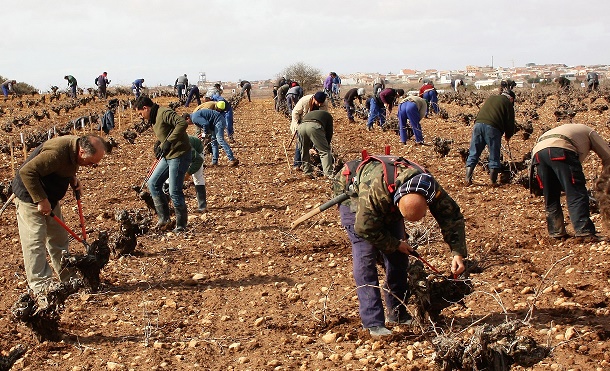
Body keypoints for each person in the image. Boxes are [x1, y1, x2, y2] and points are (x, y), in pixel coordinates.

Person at [334, 156, 467, 337]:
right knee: (365, 258)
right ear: (396, 204)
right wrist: (395, 243)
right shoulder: (376, 192)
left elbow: (451, 217)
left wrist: (457, 253)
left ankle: (397, 313)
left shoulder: (429, 187)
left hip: (387, 201)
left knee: (398, 259)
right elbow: (364, 228)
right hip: (356, 201)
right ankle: (372, 322)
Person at [11, 135, 107, 296]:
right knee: (35, 240)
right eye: (91, 163)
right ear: (82, 152)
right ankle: (41, 285)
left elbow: (63, 165)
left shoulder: (75, 150)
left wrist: (72, 178)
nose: (91, 166)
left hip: (50, 197)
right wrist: (41, 200)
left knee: (59, 239)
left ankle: (68, 279)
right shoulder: (57, 152)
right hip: (30, 196)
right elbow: (26, 172)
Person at [532, 124, 610, 239]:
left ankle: (556, 232)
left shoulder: (571, 131)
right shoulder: (590, 132)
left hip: (538, 153)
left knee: (551, 194)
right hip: (561, 150)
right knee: (576, 191)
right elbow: (608, 156)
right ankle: (584, 231)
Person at [134, 96, 192, 232]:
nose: (141, 117)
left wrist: (169, 142)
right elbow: (165, 133)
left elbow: (182, 124)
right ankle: (164, 219)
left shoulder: (164, 113)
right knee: (152, 183)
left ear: (145, 108)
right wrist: (159, 145)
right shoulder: (154, 117)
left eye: (140, 113)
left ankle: (181, 225)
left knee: (174, 190)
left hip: (179, 155)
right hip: (168, 155)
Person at [465, 90, 516, 186]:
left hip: (478, 125)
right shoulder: (508, 104)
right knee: (494, 154)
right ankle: (493, 181)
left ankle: (467, 179)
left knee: (474, 152)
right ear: (511, 99)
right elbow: (510, 122)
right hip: (492, 128)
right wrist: (508, 135)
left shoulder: (491, 98)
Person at [290, 92, 329, 170]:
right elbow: (295, 113)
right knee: (301, 143)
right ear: (314, 98)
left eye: (321, 103)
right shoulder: (304, 101)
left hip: (315, 125)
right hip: (301, 122)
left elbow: (323, 116)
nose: (319, 105)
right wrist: (298, 126)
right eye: (318, 102)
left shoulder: (324, 103)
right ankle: (297, 164)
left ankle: (312, 162)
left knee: (314, 142)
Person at [298, 110, 334, 178]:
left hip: (301, 127)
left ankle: (307, 172)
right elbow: (329, 133)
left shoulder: (310, 113)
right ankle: (328, 173)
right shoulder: (329, 116)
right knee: (324, 151)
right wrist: (326, 144)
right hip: (314, 126)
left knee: (304, 150)